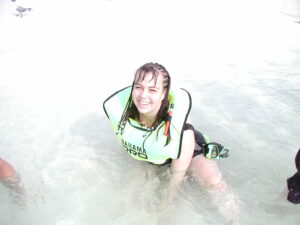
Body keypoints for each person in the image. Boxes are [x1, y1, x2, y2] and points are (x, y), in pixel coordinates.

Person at [103, 62, 239, 222]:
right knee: (126, 193)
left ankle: (237, 220)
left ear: (163, 94)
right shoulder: (125, 113)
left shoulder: (181, 127)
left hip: (190, 153)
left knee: (214, 184)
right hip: (156, 154)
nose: (143, 95)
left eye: (152, 90)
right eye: (138, 87)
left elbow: (178, 173)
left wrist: (169, 200)